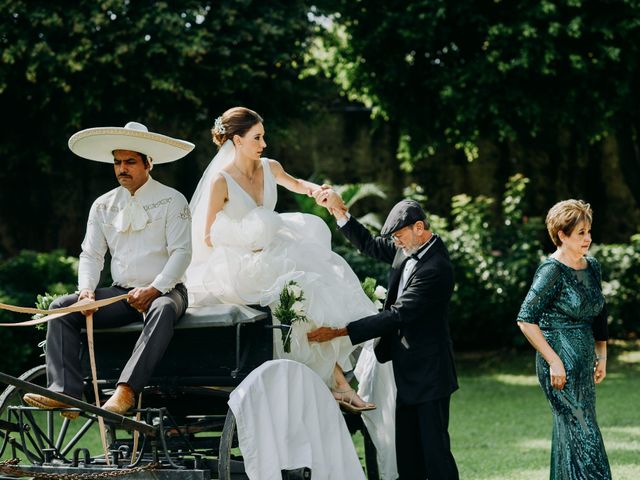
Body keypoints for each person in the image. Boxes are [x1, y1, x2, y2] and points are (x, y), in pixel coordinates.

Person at [185, 106, 377, 410]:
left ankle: (338, 383)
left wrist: (323, 194)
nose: (264, 144)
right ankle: (331, 384)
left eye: (264, 137)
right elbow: (207, 235)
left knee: (315, 289)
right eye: (257, 137)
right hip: (241, 263)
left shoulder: (269, 167)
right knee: (294, 296)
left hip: (278, 249)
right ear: (236, 140)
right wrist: (248, 236)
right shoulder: (221, 182)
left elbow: (299, 185)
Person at [23, 121, 194, 416]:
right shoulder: (102, 205)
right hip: (122, 295)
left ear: (148, 163)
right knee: (62, 308)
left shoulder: (172, 200)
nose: (121, 168)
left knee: (163, 308)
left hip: (167, 291)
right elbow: (90, 254)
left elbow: (182, 253)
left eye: (130, 162)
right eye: (117, 162)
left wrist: (154, 288)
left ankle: (126, 391)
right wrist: (87, 292)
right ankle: (65, 392)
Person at [308, 197, 460, 480]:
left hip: (430, 373)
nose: (396, 243)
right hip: (406, 370)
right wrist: (342, 215)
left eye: (399, 236)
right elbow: (370, 245)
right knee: (408, 453)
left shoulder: (437, 268)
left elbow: (397, 316)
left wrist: (341, 331)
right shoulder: (408, 247)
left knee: (435, 454)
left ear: (418, 227)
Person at [516, 199, 611, 479]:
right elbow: (525, 319)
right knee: (584, 431)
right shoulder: (552, 271)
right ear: (562, 235)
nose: (588, 238)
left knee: (574, 433)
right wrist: (554, 361)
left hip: (584, 364)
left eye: (589, 231)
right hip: (559, 368)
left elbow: (600, 315)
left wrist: (602, 356)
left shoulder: (592, 267)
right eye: (581, 233)